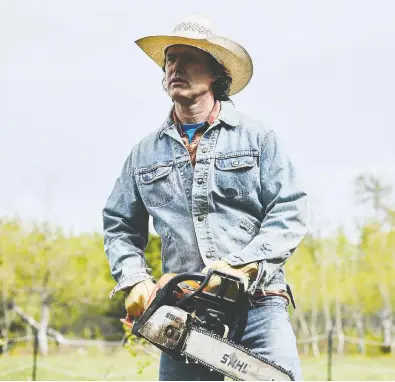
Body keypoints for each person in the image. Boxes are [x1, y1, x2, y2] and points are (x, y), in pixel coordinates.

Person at [102, 15, 308, 381]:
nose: (175, 68)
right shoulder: (144, 153)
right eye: (170, 60)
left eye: (188, 59)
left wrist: (238, 266)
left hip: (258, 301)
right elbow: (119, 226)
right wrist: (135, 279)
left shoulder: (258, 139)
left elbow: (289, 212)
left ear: (215, 72)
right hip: (185, 311)